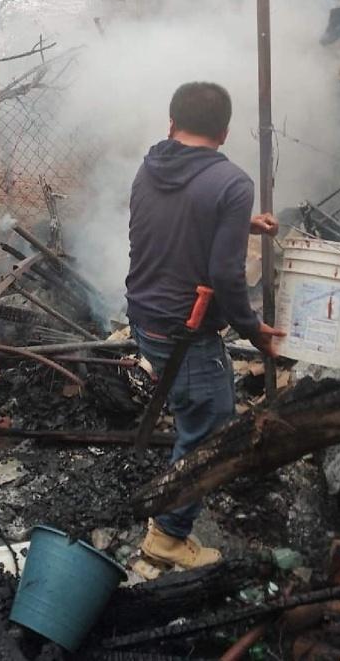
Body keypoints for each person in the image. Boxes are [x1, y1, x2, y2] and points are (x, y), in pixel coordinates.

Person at [126, 81, 285, 571]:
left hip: (144, 317)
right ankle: (167, 539)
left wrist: (240, 223)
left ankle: (171, 495)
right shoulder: (232, 182)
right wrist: (254, 330)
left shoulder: (150, 165)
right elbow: (225, 275)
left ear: (171, 123)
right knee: (213, 426)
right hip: (185, 333)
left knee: (194, 414)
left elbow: (179, 217)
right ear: (225, 131)